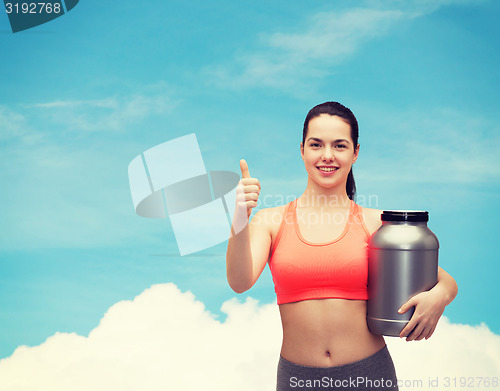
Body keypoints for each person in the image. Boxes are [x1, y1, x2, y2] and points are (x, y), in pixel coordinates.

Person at [226, 101, 458, 391]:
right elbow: (239, 281)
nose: (327, 156)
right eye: (316, 144)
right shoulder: (270, 221)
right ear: (301, 150)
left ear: (355, 152)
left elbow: (440, 278)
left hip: (369, 374)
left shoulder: (376, 223)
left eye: (339, 145)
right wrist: (239, 217)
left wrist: (441, 296)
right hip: (297, 380)